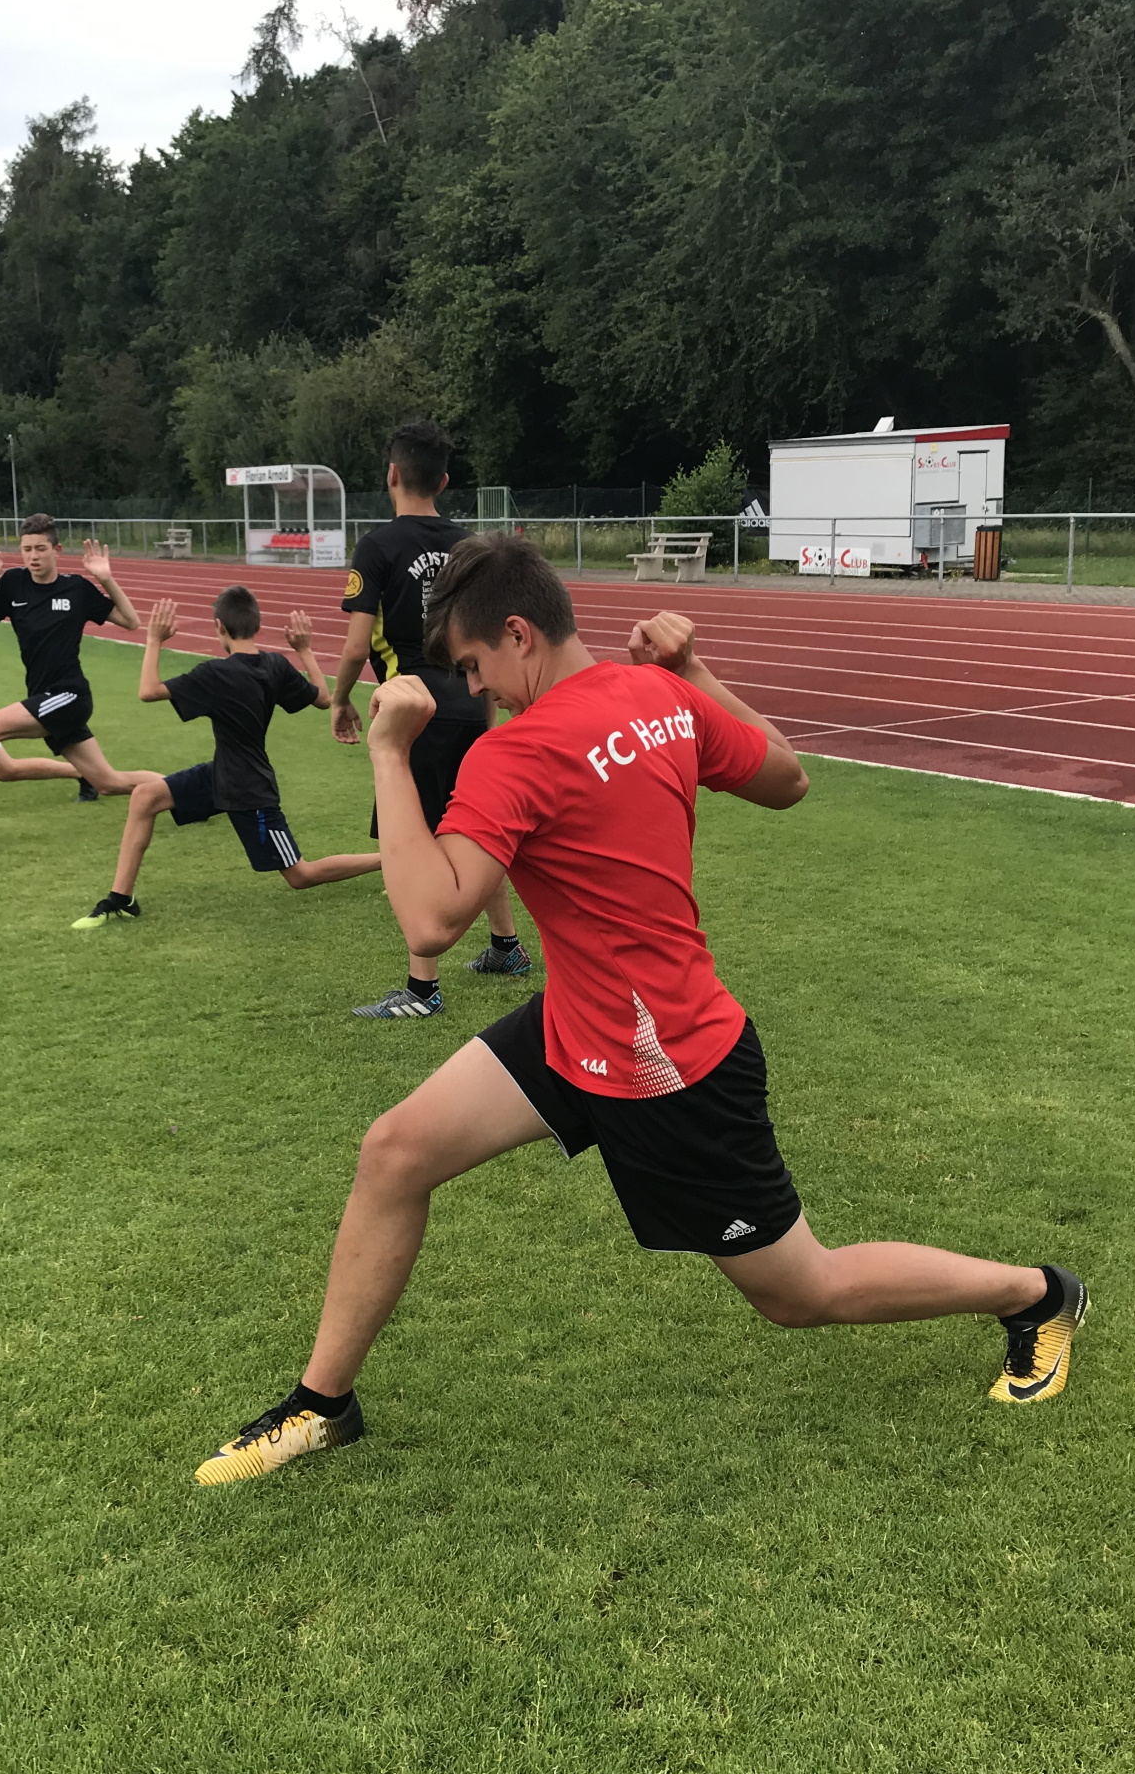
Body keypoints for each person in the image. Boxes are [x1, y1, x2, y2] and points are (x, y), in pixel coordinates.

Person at [193, 535, 1087, 1485]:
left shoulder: (518, 752)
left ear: (518, 632)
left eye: (473, 667)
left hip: (674, 1062)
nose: (480, 690)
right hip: (579, 1020)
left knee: (800, 1291)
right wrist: (696, 671)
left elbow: (428, 920)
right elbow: (788, 776)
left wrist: (388, 751)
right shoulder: (659, 696)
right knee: (396, 1151)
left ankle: (1038, 1294)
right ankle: (324, 1405)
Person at [332, 420, 528, 1020]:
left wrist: (340, 698)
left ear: (391, 474)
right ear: (443, 480)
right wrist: (488, 712)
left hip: (412, 702)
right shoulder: (470, 545)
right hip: (471, 693)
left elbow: (358, 642)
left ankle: (421, 990)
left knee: (411, 836)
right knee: (470, 825)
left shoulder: (377, 545)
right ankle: (506, 947)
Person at [74, 588, 381, 927]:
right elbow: (323, 698)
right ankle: (121, 898)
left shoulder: (215, 674)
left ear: (219, 626)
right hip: (223, 774)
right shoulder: (275, 665)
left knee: (300, 875)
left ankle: (391, 860)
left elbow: (148, 690)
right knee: (145, 796)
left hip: (249, 788)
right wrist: (304, 649)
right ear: (257, 624)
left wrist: (154, 639)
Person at [0, 516, 148, 855]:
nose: (33, 556)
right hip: (43, 696)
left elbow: (131, 622)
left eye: (41, 549)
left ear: (56, 550)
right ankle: (190, 788)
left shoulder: (76, 588)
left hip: (70, 694)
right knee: (109, 782)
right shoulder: (13, 583)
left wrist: (106, 578)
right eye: (26, 549)